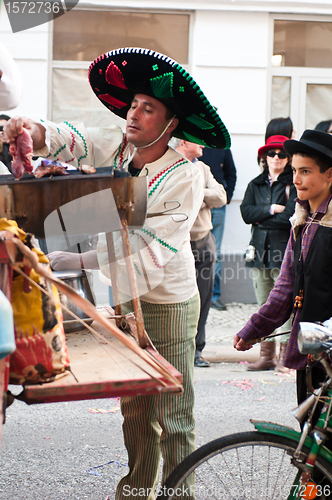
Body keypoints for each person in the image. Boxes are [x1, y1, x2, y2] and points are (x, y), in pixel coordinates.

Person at [5, 48, 230, 500]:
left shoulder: (183, 176)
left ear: (171, 125)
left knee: (172, 410)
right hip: (129, 292)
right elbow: (79, 139)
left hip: (168, 299)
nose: (134, 114)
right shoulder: (124, 146)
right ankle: (136, 489)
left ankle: (178, 493)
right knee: (134, 407)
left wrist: (79, 268)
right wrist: (35, 129)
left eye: (149, 109)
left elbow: (154, 249)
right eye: (133, 105)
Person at [234, 129, 332, 420]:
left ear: (329, 175)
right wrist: (254, 328)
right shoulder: (301, 220)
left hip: (325, 342)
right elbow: (285, 287)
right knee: (313, 433)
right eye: (294, 171)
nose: (296, 179)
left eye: (305, 171)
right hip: (312, 347)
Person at [240, 135, 296, 371]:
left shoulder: (293, 183)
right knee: (263, 304)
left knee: (285, 305)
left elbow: (289, 219)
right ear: (264, 157)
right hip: (258, 251)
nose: (276, 158)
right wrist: (271, 209)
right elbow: (245, 214)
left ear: (288, 158)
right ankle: (267, 356)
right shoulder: (255, 183)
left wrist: (260, 218)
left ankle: (285, 357)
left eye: (281, 154)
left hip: (283, 250)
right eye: (271, 154)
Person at [173, 139, 226, 367]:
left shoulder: (203, 168)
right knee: (177, 299)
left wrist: (195, 192)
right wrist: (204, 198)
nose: (205, 145)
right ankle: (175, 348)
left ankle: (196, 350)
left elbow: (221, 196)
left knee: (204, 299)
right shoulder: (168, 165)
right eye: (199, 141)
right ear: (185, 141)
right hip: (176, 244)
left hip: (204, 241)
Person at [201, 147, 237, 311]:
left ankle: (214, 296)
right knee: (193, 250)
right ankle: (197, 295)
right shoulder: (193, 147)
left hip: (218, 208)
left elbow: (231, 174)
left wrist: (226, 198)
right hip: (197, 207)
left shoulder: (222, 149)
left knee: (216, 252)